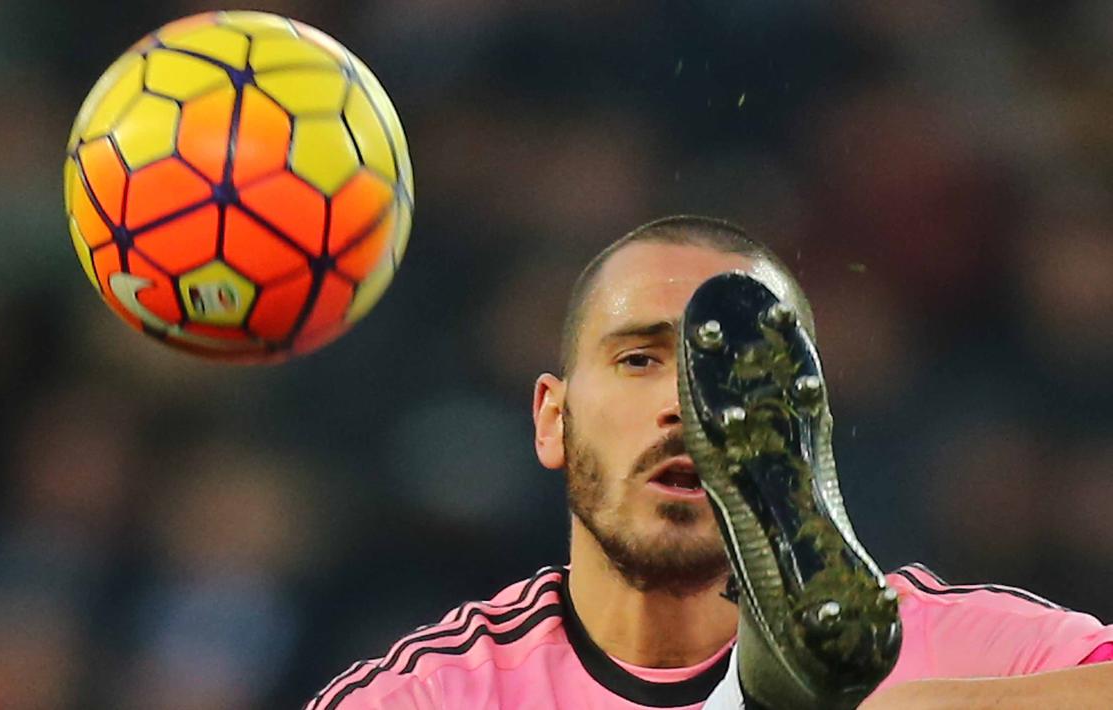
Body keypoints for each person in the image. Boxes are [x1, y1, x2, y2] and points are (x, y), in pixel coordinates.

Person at [307, 216, 1113, 709]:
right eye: (637, 360)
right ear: (552, 419)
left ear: (807, 422)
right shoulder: (435, 696)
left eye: (738, 370)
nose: (684, 406)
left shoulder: (923, 644)